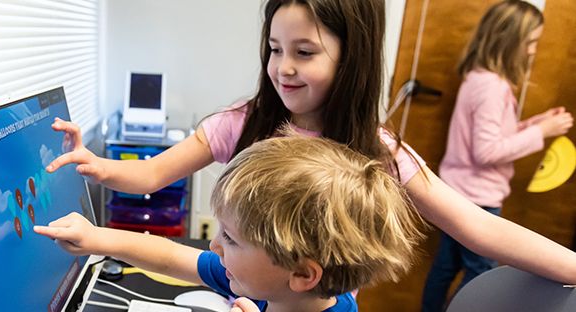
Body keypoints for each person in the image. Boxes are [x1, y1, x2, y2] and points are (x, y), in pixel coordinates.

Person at [47, 0, 576, 291]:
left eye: (304, 51)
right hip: (250, 289)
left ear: (353, 57)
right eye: (275, 49)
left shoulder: (379, 153)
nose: (283, 67)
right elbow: (151, 177)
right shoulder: (243, 122)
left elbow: (476, 225)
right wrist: (98, 167)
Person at [36, 136, 426, 312]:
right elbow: (172, 257)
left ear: (303, 273)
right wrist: (96, 237)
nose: (213, 246)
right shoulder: (269, 287)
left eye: (231, 239)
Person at [421, 1, 574, 311]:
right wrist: (541, 133)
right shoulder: (491, 87)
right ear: (510, 41)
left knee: (444, 269)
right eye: (530, 42)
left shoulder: (480, 78)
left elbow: (494, 133)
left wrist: (535, 123)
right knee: (478, 272)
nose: (532, 51)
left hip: (459, 191)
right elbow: (488, 150)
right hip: (478, 198)